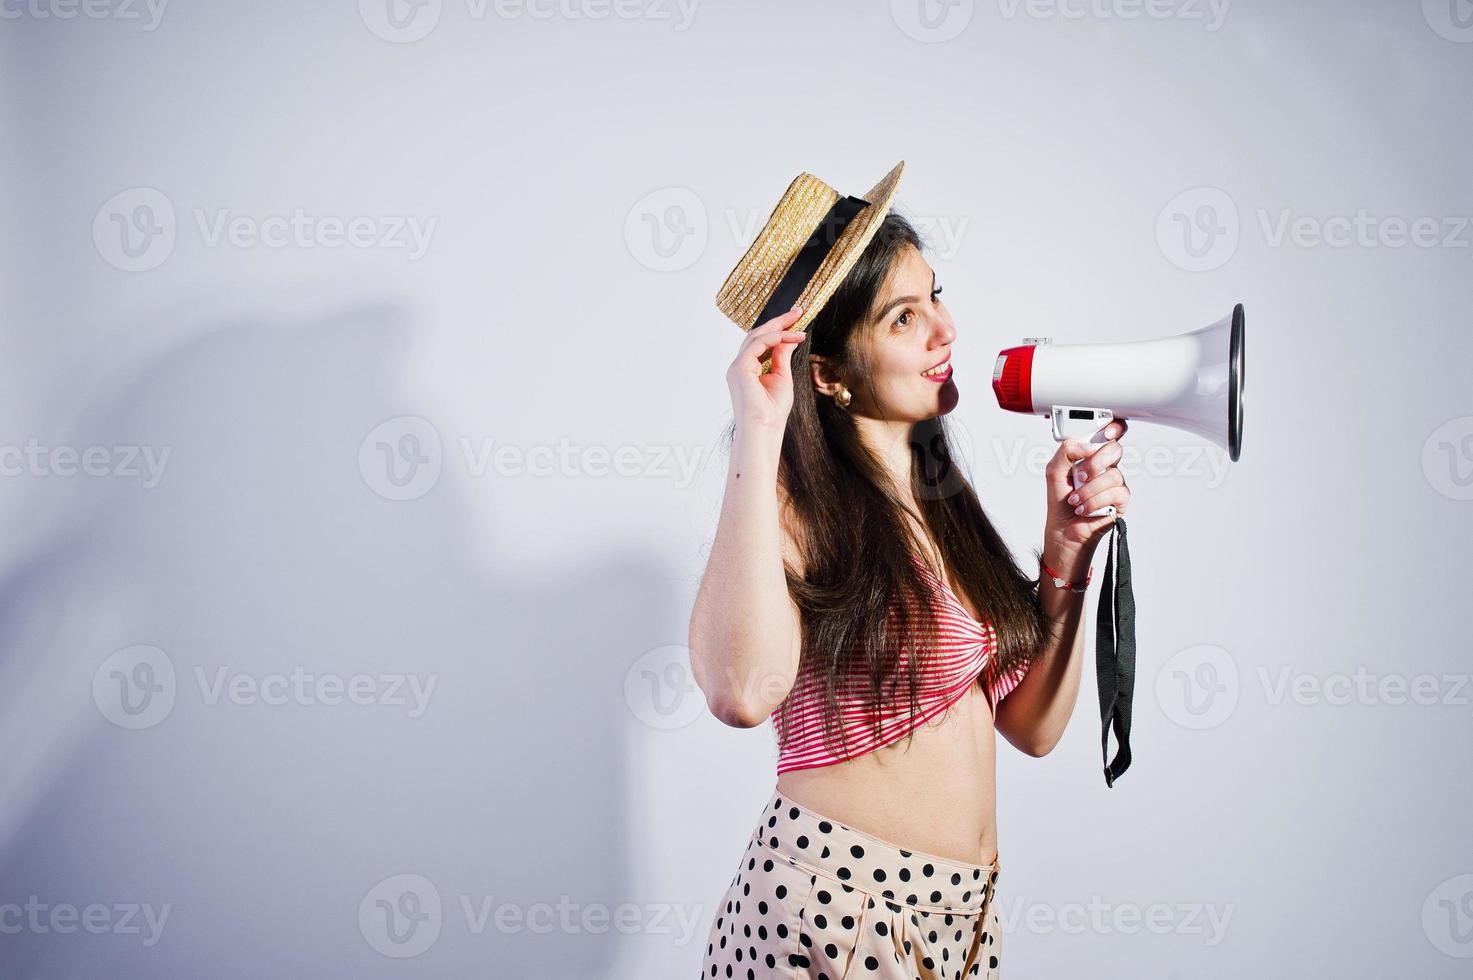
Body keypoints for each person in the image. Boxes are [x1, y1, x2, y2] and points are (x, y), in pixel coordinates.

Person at [689, 163, 1130, 979]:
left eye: (935, 295)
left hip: (958, 921)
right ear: (825, 373)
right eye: (903, 317)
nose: (945, 330)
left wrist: (1065, 552)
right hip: (834, 914)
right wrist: (759, 426)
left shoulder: (940, 502)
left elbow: (1030, 728)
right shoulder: (794, 509)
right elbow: (739, 692)